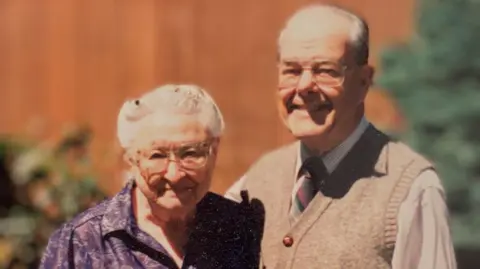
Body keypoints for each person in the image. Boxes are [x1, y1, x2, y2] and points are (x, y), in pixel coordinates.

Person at [225, 3, 457, 269]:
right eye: (292, 70)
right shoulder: (256, 181)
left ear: (363, 82)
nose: (304, 86)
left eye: (325, 70)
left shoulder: (412, 188)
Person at [40, 84, 259, 269]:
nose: (174, 175)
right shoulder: (82, 242)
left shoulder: (240, 229)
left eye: (191, 153)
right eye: (157, 156)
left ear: (214, 151)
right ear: (131, 158)